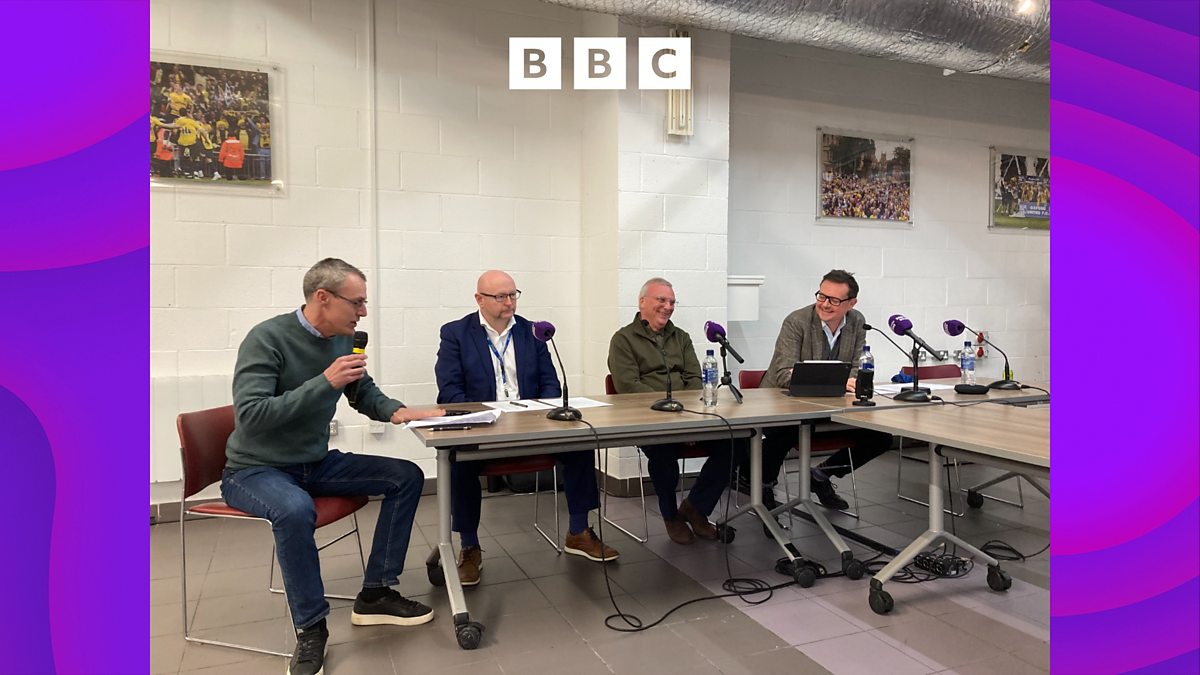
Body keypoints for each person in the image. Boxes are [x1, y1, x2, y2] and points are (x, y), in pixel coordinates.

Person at [221, 258, 445, 675]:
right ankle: (311, 628)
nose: (363, 312)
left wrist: (399, 411)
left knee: (406, 476)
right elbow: (251, 415)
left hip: (314, 463)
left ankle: (376, 593)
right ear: (322, 298)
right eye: (356, 302)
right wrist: (324, 382)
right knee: (293, 509)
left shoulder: (344, 340)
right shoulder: (267, 339)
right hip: (254, 469)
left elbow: (362, 391)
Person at [435, 271, 618, 585]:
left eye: (513, 294)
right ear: (479, 299)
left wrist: (537, 415)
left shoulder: (533, 332)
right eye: (500, 296)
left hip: (531, 425)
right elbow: (450, 391)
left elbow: (550, 383)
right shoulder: (456, 333)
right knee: (458, 458)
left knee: (580, 441)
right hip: (485, 427)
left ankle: (578, 531)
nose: (509, 302)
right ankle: (469, 546)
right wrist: (486, 417)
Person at [608, 277, 739, 545]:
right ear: (642, 302)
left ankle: (696, 507)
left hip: (687, 415)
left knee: (736, 444)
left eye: (672, 302)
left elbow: (694, 379)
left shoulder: (681, 337)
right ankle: (671, 516)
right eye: (661, 300)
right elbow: (628, 386)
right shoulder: (623, 339)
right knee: (663, 454)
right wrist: (672, 416)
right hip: (648, 419)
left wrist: (688, 419)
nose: (668, 307)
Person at [749, 269, 894, 510]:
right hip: (784, 404)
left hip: (832, 406)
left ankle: (821, 474)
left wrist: (853, 381)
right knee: (786, 430)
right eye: (821, 296)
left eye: (834, 300)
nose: (825, 304)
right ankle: (763, 485)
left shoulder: (857, 321)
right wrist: (839, 382)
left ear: (851, 303)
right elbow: (784, 375)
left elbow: (857, 367)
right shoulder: (797, 321)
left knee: (880, 437)